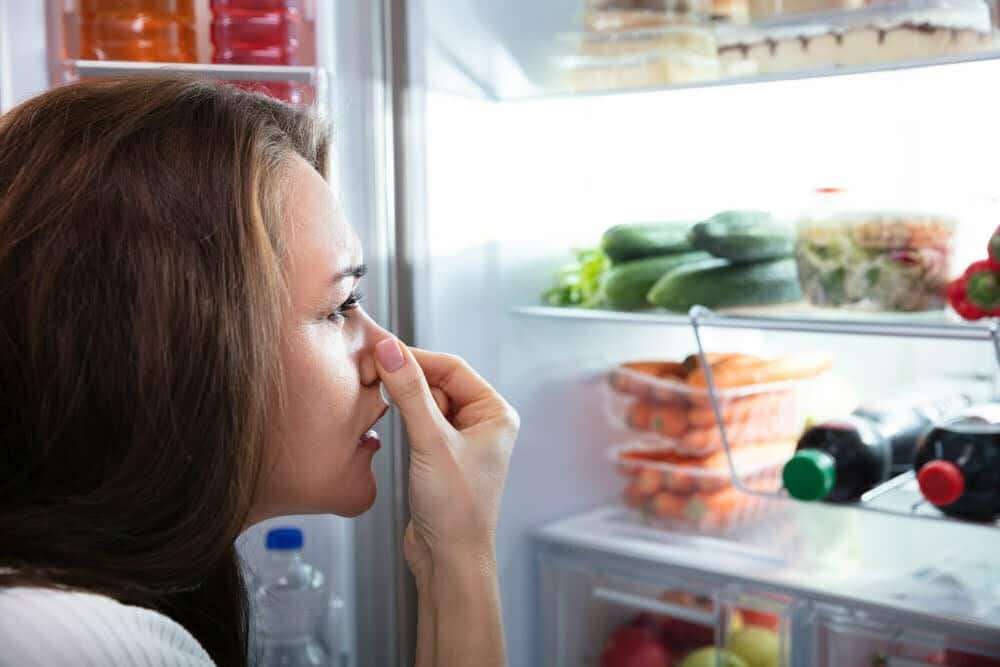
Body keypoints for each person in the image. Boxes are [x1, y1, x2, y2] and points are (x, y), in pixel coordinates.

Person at [0, 75, 519, 666]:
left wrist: (449, 548)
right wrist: (464, 554)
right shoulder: (89, 649)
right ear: (176, 345)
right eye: (339, 306)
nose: (386, 355)